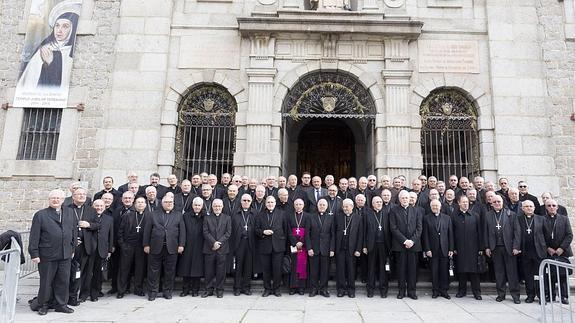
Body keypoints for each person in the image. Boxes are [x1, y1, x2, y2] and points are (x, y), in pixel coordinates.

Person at [29, 189, 76, 315]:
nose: (56, 200)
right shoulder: (40, 215)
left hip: (65, 254)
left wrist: (72, 249)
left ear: (63, 200)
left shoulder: (70, 212)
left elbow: (73, 231)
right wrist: (34, 253)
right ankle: (43, 305)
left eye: (58, 198)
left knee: (63, 281)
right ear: (49, 200)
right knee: (46, 282)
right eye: (53, 198)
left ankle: (61, 304)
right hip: (47, 255)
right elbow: (34, 235)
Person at [17, 1, 81, 90]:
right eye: (57, 25)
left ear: (72, 29)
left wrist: (51, 63)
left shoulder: (70, 52)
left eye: (65, 26)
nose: (59, 30)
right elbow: (29, 80)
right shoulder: (45, 48)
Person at [143, 195, 186, 301]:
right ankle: (153, 292)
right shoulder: (153, 214)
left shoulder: (178, 215)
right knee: (153, 271)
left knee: (170, 271)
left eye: (171, 202)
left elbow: (182, 232)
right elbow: (147, 231)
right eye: (166, 202)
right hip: (155, 247)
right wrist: (146, 245)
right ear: (162, 203)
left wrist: (181, 245)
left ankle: (168, 291)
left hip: (172, 247)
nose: (169, 204)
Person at [484, 195, 521, 304]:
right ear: (491, 203)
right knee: (499, 273)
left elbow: (517, 232)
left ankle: (515, 295)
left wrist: (516, 247)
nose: (497, 203)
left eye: (498, 201)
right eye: (494, 202)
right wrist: (487, 247)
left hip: (509, 248)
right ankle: (501, 294)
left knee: (512, 273)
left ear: (502, 202)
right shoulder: (487, 215)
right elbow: (485, 232)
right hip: (495, 248)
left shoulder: (511, 215)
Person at [67, 187, 98, 306]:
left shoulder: (91, 210)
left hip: (85, 247)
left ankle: (75, 296)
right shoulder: (67, 209)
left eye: (84, 194)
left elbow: (97, 225)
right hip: (71, 246)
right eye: (79, 194)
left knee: (80, 272)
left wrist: (88, 224)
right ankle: (66, 295)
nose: (81, 196)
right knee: (69, 272)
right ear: (73, 196)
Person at [390, 190, 423, 300]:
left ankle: (412, 291)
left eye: (407, 198)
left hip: (414, 246)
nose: (405, 200)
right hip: (400, 246)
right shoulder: (394, 211)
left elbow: (419, 228)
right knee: (401, 270)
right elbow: (393, 228)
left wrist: (412, 241)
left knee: (412, 270)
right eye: (403, 198)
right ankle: (401, 291)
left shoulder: (417, 211)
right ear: (399, 199)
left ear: (410, 200)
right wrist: (405, 241)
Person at [255, 196, 289, 297]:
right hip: (265, 246)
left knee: (277, 269)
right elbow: (256, 229)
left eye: (272, 202)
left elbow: (285, 230)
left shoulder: (282, 214)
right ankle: (267, 289)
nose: (270, 204)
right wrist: (263, 232)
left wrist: (284, 243)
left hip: (278, 246)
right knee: (266, 269)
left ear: (275, 203)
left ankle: (277, 289)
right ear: (266, 204)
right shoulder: (260, 215)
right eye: (268, 202)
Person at [117, 197, 149, 298]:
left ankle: (138, 289)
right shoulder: (128, 216)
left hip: (142, 247)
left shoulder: (149, 216)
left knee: (140, 269)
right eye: (138, 202)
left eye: (142, 202)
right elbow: (120, 232)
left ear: (145, 204)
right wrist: (123, 245)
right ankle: (121, 290)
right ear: (134, 204)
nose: (140, 204)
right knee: (124, 269)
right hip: (128, 246)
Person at [452, 196, 483, 300]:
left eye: (467, 202)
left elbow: (479, 232)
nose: (465, 204)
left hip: (473, 248)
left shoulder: (475, 216)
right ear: (459, 203)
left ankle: (477, 292)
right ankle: (462, 291)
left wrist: (480, 248)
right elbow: (451, 234)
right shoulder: (454, 216)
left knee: (474, 272)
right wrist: (453, 247)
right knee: (461, 271)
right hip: (459, 248)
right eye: (463, 202)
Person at [543, 199, 573, 304]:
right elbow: (540, 236)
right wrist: (547, 248)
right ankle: (550, 295)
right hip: (549, 252)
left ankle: (564, 296)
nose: (551, 207)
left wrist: (561, 248)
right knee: (550, 275)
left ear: (557, 207)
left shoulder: (564, 219)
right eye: (549, 205)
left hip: (562, 252)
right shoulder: (542, 219)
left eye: (553, 205)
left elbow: (569, 235)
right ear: (546, 207)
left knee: (562, 275)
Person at [423, 200, 454, 299]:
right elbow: (425, 236)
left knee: (444, 271)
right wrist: (427, 249)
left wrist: (451, 249)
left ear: (440, 207)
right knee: (434, 271)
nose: (435, 207)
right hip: (432, 250)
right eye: (433, 206)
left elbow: (450, 235)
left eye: (437, 205)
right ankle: (435, 291)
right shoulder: (426, 218)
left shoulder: (447, 218)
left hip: (445, 249)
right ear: (430, 207)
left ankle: (444, 290)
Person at [518, 200, 547, 303]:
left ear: (534, 208)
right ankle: (530, 295)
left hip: (538, 252)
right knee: (528, 275)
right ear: (522, 209)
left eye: (531, 206)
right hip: (525, 252)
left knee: (540, 275)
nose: (529, 208)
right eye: (526, 206)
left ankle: (541, 296)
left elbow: (546, 235)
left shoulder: (541, 219)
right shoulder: (519, 219)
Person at [202, 199, 231, 298]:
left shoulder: (227, 218)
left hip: (222, 249)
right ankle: (208, 289)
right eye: (215, 206)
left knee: (221, 271)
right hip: (209, 248)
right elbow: (205, 232)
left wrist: (219, 243)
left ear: (222, 207)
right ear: (212, 207)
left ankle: (220, 290)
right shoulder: (207, 218)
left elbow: (228, 233)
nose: (217, 208)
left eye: (219, 206)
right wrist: (213, 242)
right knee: (208, 271)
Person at [86, 199, 114, 302]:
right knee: (87, 273)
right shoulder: (88, 217)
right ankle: (85, 292)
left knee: (98, 273)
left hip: (101, 249)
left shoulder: (109, 219)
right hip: (89, 249)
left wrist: (109, 250)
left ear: (104, 207)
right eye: (97, 206)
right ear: (93, 206)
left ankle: (95, 293)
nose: (99, 208)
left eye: (101, 206)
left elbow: (111, 235)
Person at [363, 196, 391, 298]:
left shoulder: (387, 213)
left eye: (380, 202)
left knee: (383, 268)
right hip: (371, 245)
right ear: (372, 203)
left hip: (384, 245)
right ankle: (370, 289)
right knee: (371, 268)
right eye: (377, 202)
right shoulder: (367, 214)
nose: (379, 203)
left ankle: (383, 290)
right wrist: (364, 246)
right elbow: (363, 231)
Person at [334, 199, 363, 298]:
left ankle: (351, 290)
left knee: (351, 270)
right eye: (344, 206)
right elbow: (333, 233)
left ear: (352, 206)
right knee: (340, 270)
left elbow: (360, 235)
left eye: (347, 206)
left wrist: (358, 249)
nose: (345, 208)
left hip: (352, 249)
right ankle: (341, 289)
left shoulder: (358, 218)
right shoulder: (338, 217)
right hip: (340, 248)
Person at [177, 197, 205, 297]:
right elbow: (182, 231)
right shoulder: (185, 216)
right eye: (195, 205)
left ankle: (195, 290)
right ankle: (185, 289)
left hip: (199, 245)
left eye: (199, 205)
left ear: (202, 206)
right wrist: (182, 244)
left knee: (197, 269)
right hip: (187, 245)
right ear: (192, 205)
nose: (197, 207)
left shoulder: (205, 216)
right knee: (186, 267)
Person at [307, 199, 335, 297]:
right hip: (314, 249)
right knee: (313, 271)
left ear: (326, 206)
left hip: (326, 249)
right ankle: (314, 289)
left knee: (325, 271)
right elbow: (307, 234)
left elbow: (333, 235)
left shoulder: (330, 217)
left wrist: (332, 249)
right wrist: (309, 248)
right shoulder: (311, 217)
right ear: (317, 206)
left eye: (324, 205)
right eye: (320, 205)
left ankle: (324, 289)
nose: (322, 206)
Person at [231, 194, 256, 296]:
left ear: (251, 202)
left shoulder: (255, 213)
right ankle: (237, 288)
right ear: (241, 201)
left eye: (248, 200)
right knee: (238, 266)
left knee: (248, 267)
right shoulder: (235, 213)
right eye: (244, 200)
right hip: (239, 243)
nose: (246, 202)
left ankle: (246, 287)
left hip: (250, 243)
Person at [287, 198, 311, 295]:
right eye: (296, 204)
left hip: (303, 245)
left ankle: (301, 287)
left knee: (302, 265)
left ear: (303, 205)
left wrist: (302, 242)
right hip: (293, 245)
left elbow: (308, 231)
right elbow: (288, 230)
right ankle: (293, 287)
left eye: (300, 204)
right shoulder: (289, 216)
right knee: (293, 265)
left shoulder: (308, 216)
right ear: (294, 205)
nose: (298, 206)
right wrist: (295, 242)